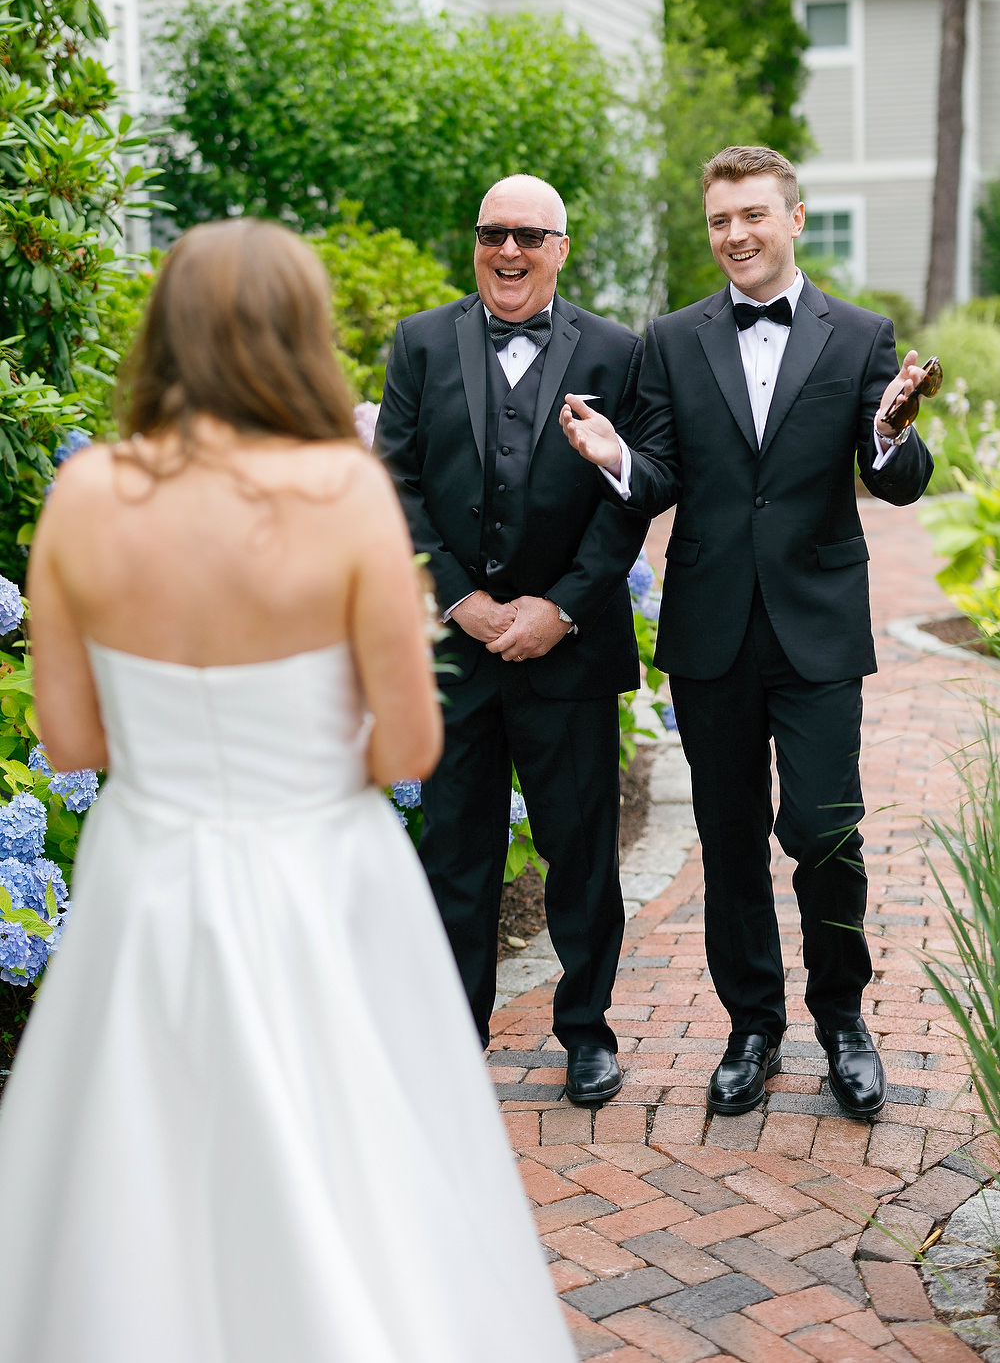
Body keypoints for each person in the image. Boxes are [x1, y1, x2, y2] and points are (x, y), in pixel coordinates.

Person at [0, 220, 575, 1363]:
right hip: (321, 874)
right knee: (360, 1165)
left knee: (137, 1170)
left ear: (166, 335)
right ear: (300, 336)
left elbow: (69, 736)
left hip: (151, 878)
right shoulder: (345, 495)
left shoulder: (87, 497)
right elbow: (408, 743)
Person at [560, 146, 934, 1120]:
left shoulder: (859, 336)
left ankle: (842, 1021)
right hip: (711, 627)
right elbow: (659, 475)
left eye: (753, 215)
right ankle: (752, 1028)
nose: (735, 234)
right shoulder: (671, 341)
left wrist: (890, 429)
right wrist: (613, 455)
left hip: (818, 629)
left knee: (824, 831)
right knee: (728, 840)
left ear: (794, 218)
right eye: (720, 219)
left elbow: (899, 480)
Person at [375, 174, 648, 1105]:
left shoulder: (616, 351)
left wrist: (559, 608)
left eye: (530, 235)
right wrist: (462, 600)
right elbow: (395, 481)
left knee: (581, 852)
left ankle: (587, 1033)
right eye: (494, 232)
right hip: (457, 650)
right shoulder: (420, 342)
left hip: (568, 649)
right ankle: (456, 1035)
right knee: (457, 851)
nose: (509, 251)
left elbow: (629, 499)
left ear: (561, 249)